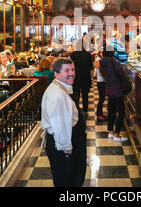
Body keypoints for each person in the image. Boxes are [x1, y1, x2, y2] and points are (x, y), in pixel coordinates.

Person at [41, 58, 86, 187]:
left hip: (66, 142)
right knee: (67, 181)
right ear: (56, 73)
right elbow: (60, 125)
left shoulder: (60, 88)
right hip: (62, 146)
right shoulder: (58, 95)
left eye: (72, 69)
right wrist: (65, 148)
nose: (71, 73)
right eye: (66, 70)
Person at [99, 46, 128, 142]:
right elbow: (121, 74)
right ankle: (117, 134)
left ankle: (110, 131)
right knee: (121, 113)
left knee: (111, 111)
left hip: (109, 89)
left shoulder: (102, 63)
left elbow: (103, 74)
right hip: (117, 90)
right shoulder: (114, 62)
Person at [70, 40, 93, 113]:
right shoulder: (88, 55)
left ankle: (76, 111)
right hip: (86, 77)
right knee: (85, 95)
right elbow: (91, 66)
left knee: (76, 95)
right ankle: (85, 111)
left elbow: (71, 66)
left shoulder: (73, 54)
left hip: (75, 77)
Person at [95, 50, 107, 121]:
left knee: (102, 99)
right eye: (101, 52)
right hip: (101, 82)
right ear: (99, 53)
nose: (102, 53)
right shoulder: (98, 59)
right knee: (101, 99)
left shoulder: (101, 59)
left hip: (103, 81)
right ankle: (99, 114)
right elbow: (99, 71)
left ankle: (100, 113)